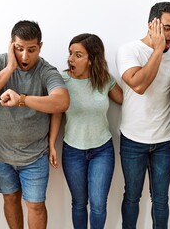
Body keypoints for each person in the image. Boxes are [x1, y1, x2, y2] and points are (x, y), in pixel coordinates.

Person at [0, 20, 69, 229]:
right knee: (10, 199)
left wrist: (22, 99)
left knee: (35, 205)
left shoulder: (46, 71)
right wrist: (10, 68)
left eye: (31, 50)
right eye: (19, 49)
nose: (25, 56)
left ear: (40, 47)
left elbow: (61, 102)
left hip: (34, 156)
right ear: (11, 45)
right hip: (1, 155)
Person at [115, 2, 170, 229]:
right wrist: (157, 50)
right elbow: (139, 85)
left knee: (161, 199)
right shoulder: (129, 50)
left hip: (165, 141)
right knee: (132, 197)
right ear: (152, 25)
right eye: (167, 28)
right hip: (133, 140)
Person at [48, 33, 123, 229]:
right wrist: (51, 145)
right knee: (79, 203)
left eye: (78, 55)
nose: (71, 59)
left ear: (92, 59)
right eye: (70, 53)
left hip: (102, 151)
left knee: (98, 205)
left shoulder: (105, 79)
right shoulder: (62, 80)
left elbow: (125, 101)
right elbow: (56, 112)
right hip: (73, 151)